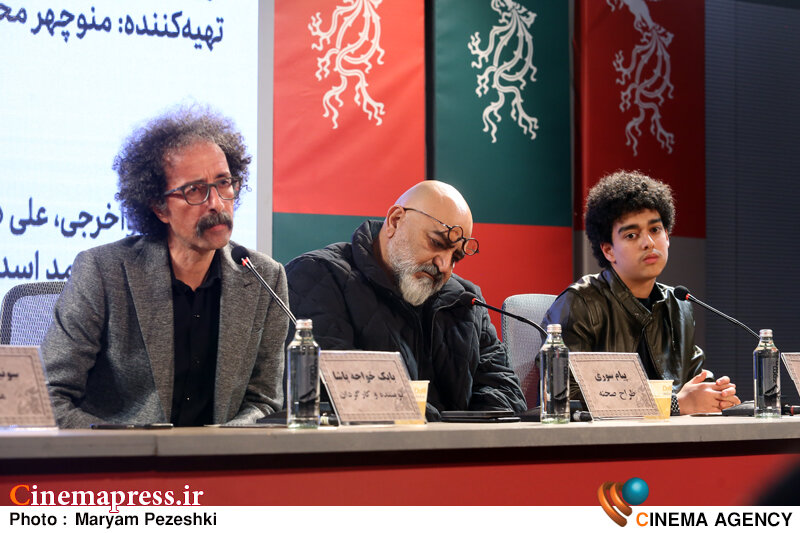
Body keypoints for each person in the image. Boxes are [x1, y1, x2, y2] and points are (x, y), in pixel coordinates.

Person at [41, 107, 288, 428]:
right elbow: (49, 396)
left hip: (221, 454)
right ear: (159, 207)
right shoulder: (103, 272)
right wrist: (128, 447)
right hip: (122, 454)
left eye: (224, 183)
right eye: (194, 190)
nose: (216, 203)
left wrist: (222, 443)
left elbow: (264, 401)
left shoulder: (264, 277)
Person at [285, 180, 526, 419]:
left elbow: (509, 396)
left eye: (456, 257)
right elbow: (331, 392)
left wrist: (456, 433)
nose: (444, 265)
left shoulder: (466, 301)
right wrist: (439, 426)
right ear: (395, 220)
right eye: (436, 243)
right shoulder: (319, 276)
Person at [543, 171, 740, 414]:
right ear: (608, 251)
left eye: (655, 230)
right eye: (631, 235)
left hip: (673, 434)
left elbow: (693, 380)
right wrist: (675, 404)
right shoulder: (580, 303)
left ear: (667, 236)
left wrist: (716, 395)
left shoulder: (679, 305)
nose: (648, 242)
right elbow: (564, 395)